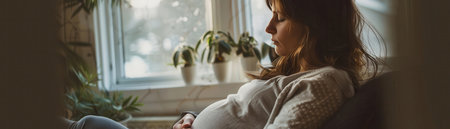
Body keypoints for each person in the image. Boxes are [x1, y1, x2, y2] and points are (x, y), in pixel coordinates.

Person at [173, 0, 383, 128]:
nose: (268, 27)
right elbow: (242, 113)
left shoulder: (326, 82)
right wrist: (192, 117)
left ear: (316, 24)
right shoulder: (297, 74)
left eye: (280, 18)